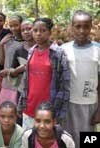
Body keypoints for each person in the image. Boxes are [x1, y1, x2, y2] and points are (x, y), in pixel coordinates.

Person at [18, 18, 70, 130]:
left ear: (50, 32)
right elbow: (26, 81)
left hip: (48, 110)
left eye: (43, 30)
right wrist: (22, 104)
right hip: (30, 107)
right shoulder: (31, 51)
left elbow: (64, 85)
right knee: (28, 141)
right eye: (35, 30)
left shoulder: (58, 53)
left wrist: (58, 112)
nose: (38, 34)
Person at [61, 10, 100, 148]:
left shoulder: (98, 50)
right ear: (71, 27)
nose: (82, 31)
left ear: (91, 27)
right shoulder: (64, 49)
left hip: (90, 104)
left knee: (89, 140)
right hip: (68, 104)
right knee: (68, 139)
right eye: (78, 26)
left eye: (86, 26)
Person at [0, 14, 23, 121]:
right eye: (11, 26)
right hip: (8, 82)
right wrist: (1, 45)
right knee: (5, 113)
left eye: (16, 25)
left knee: (17, 114)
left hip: (21, 83)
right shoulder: (8, 41)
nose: (14, 28)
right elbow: (1, 62)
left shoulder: (28, 42)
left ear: (21, 25)